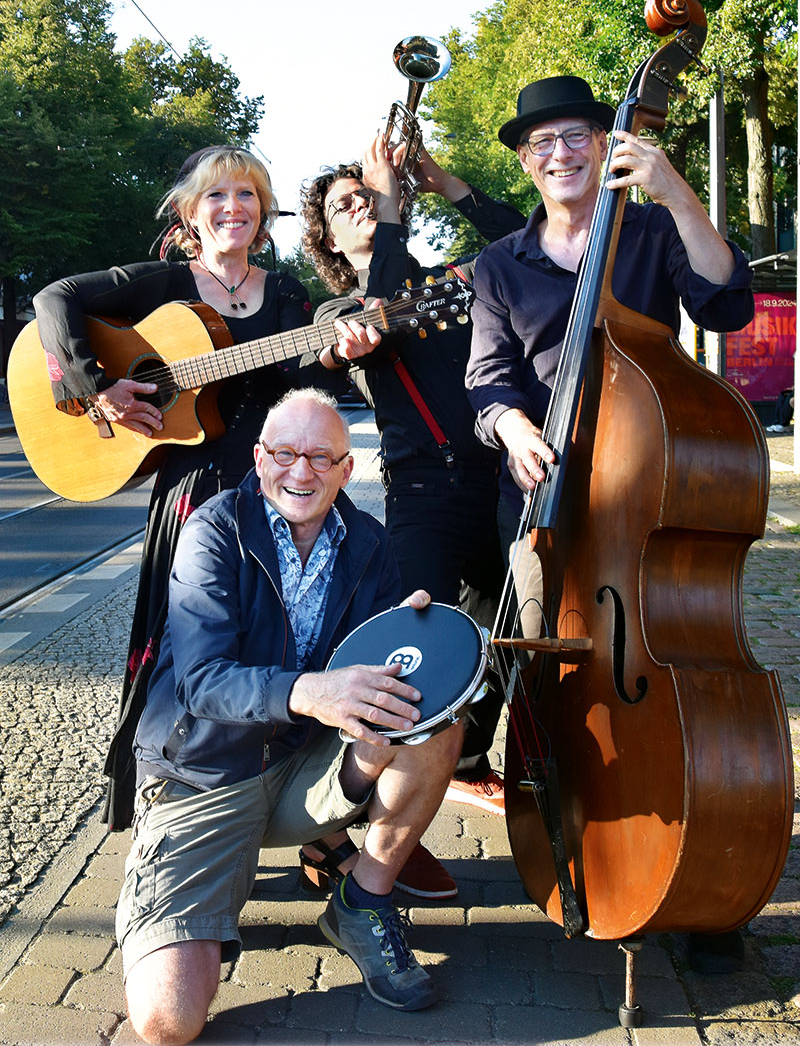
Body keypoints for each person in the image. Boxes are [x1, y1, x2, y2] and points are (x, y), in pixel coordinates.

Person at [465, 75, 757, 975]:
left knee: (674, 678)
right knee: (553, 687)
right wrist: (512, 426)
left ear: (605, 142)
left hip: (648, 494)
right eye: (541, 143)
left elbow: (727, 304)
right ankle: (576, 848)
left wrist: (675, 189)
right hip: (550, 512)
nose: (560, 153)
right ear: (524, 161)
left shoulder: (654, 229)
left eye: (576, 136)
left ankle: (704, 859)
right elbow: (487, 379)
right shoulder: (500, 263)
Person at [118, 388, 463, 1043]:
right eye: (284, 453)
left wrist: (410, 645)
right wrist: (310, 691)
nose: (300, 472)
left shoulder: (368, 543)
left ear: (345, 467)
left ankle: (362, 899)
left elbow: (374, 665)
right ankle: (176, 883)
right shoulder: (214, 531)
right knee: (169, 1021)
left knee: (434, 716)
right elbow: (200, 681)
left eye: (319, 457)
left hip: (304, 766)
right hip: (204, 777)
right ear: (259, 456)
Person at [32, 145, 331, 831]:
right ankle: (175, 806)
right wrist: (95, 386)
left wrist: (338, 346)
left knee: (277, 650)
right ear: (192, 214)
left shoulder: (284, 293)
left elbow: (308, 381)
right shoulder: (163, 284)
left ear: (264, 212)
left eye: (248, 196)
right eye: (218, 197)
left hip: (274, 496)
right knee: (188, 653)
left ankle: (280, 812)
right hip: (194, 496)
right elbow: (56, 300)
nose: (234, 208)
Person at [298, 137, 526, 892]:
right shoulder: (340, 309)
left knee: (513, 633)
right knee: (415, 647)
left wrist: (451, 186)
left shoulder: (453, 281)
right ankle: (345, 826)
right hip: (423, 491)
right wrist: (391, 199)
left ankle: (463, 761)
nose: (360, 198)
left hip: (502, 480)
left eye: (365, 190)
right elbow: (378, 302)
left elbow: (541, 243)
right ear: (329, 239)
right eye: (343, 202)